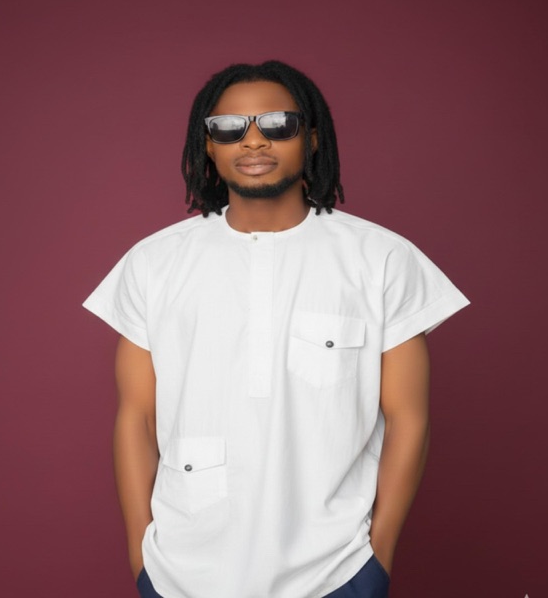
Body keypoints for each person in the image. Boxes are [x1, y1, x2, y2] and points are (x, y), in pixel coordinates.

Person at [83, 60, 469, 598]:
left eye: (278, 124)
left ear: (311, 137)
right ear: (208, 147)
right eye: (229, 128)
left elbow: (410, 418)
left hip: (336, 571)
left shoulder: (381, 260)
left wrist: (376, 556)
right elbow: (137, 418)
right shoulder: (153, 264)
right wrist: (140, 556)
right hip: (179, 573)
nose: (253, 141)